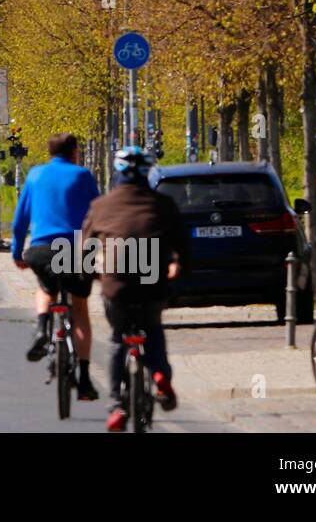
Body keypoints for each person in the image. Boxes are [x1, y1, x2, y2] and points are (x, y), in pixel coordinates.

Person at [81, 146, 191, 431]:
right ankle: (159, 376)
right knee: (152, 328)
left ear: (117, 172)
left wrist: (91, 273)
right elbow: (184, 247)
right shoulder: (163, 204)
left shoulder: (101, 206)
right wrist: (178, 266)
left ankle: (117, 405)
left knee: (119, 339)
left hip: (117, 285)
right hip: (153, 281)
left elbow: (84, 251)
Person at [11, 132, 101, 401]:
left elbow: (19, 220)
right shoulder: (82, 175)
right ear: (74, 151)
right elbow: (96, 217)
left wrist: (17, 253)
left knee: (45, 287)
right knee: (81, 310)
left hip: (41, 250)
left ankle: (42, 327)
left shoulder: (35, 175)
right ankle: (84, 381)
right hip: (75, 249)